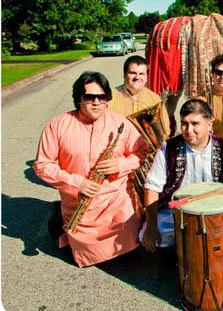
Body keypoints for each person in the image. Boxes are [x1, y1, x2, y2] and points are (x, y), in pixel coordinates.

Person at [34, 71, 147, 267]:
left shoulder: (121, 123)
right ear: (79, 99)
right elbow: (42, 165)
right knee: (88, 252)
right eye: (89, 97)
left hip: (116, 197)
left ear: (107, 99)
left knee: (130, 240)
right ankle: (61, 218)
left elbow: (141, 153)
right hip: (79, 199)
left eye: (101, 97)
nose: (96, 103)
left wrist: (120, 164)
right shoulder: (57, 126)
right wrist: (77, 183)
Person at [141, 99, 223, 252]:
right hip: (177, 211)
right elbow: (152, 189)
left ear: (209, 124)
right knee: (151, 236)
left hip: (214, 211)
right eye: (184, 123)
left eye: (195, 124)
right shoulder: (168, 149)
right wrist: (151, 228)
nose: (188, 129)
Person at [108, 55, 173, 137]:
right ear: (124, 75)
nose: (137, 77)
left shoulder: (155, 100)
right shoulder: (110, 98)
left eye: (141, 74)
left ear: (146, 77)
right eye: (132, 73)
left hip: (146, 148)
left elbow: (165, 130)